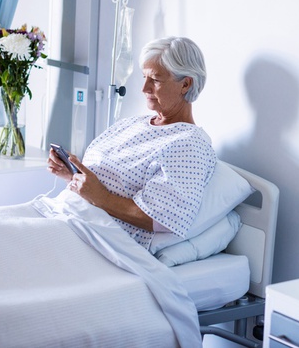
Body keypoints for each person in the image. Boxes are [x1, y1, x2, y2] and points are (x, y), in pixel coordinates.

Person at [47, 36, 217, 250]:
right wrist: (72, 175)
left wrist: (100, 197)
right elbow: (105, 183)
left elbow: (163, 217)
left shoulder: (189, 145)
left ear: (185, 84)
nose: (144, 88)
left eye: (155, 79)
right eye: (144, 77)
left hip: (98, 238)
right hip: (66, 214)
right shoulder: (132, 124)